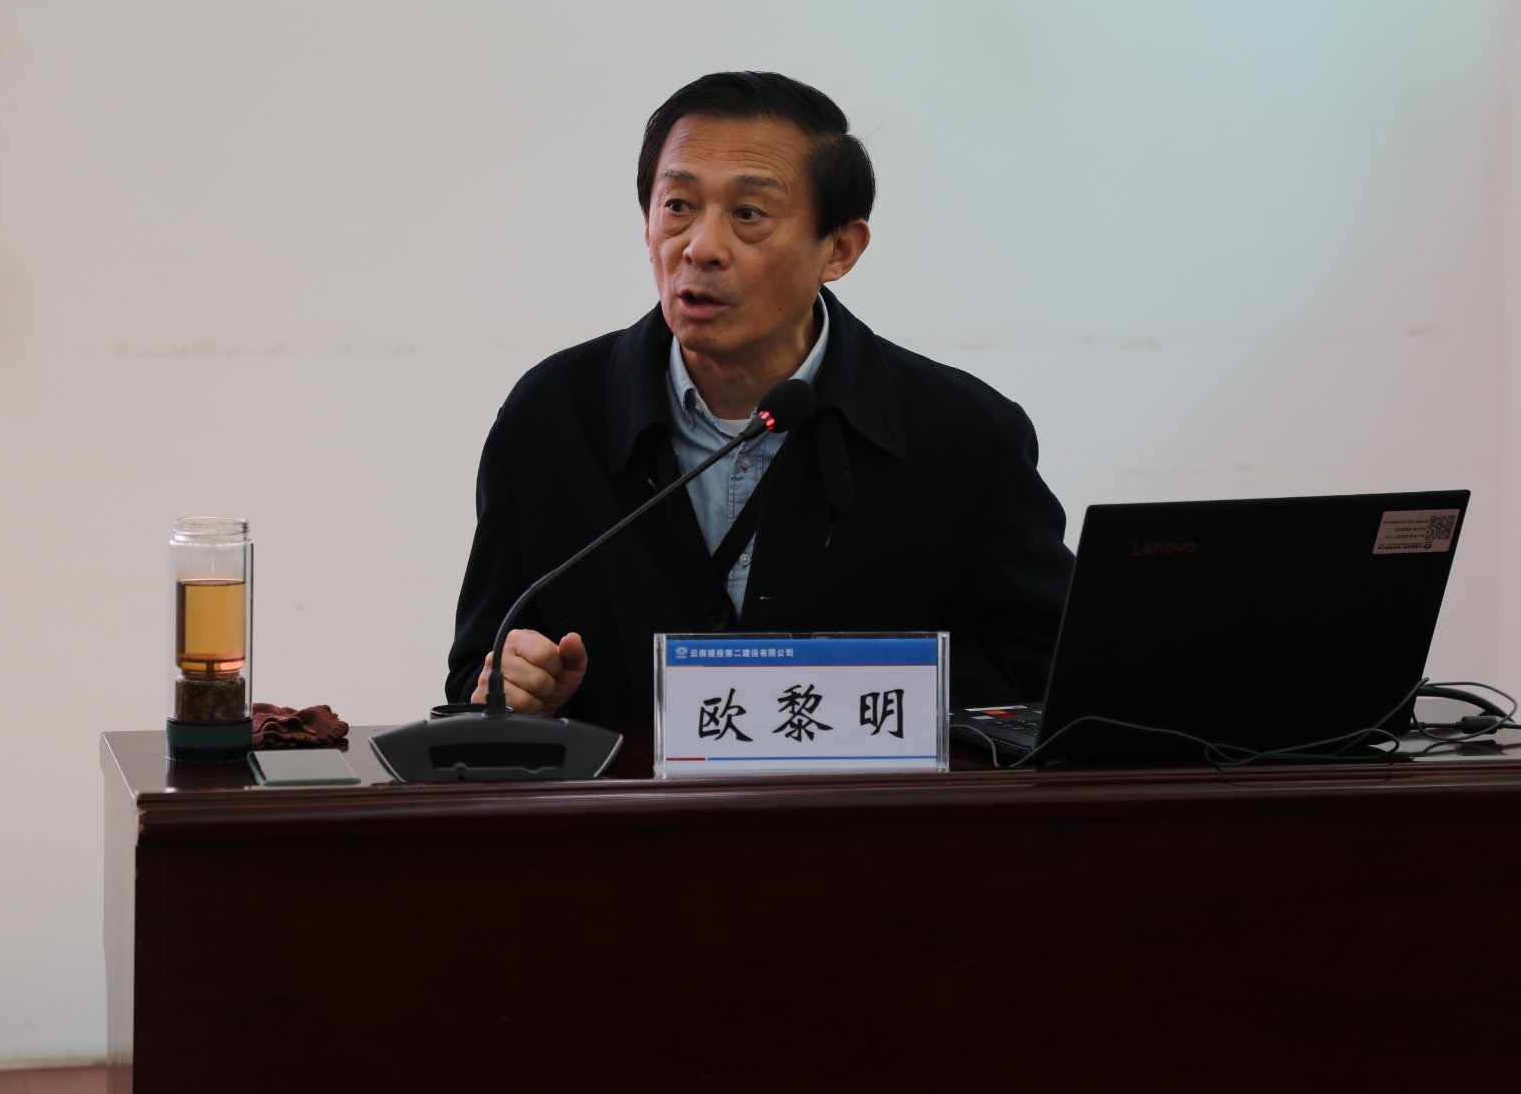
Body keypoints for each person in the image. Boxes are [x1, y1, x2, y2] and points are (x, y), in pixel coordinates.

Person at [444, 71, 1073, 751]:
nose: (700, 247)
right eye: (678, 206)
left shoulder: (963, 435)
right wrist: (519, 688)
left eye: (748, 214)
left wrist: (850, 698)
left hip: (863, 814)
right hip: (630, 814)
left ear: (840, 249)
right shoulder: (550, 419)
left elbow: (1049, 664)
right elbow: (477, 670)